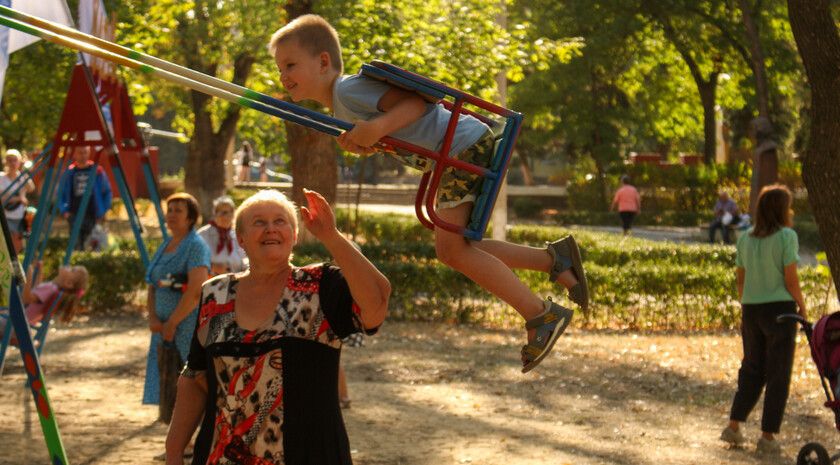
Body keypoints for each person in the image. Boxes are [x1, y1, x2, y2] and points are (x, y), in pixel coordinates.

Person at [268, 14, 588, 373]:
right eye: (280, 68)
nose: (283, 75)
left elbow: (416, 106)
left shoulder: (347, 89)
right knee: (463, 249)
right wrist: (370, 142)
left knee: (451, 251)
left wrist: (375, 127)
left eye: (290, 65)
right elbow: (403, 130)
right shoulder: (341, 103)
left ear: (323, 61)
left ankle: (540, 315)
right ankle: (554, 261)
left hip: (460, 148)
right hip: (456, 150)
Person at [164, 189, 390, 465]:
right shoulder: (216, 293)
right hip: (221, 456)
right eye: (258, 222)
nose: (270, 228)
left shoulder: (319, 286)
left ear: (294, 236)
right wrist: (174, 451)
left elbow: (377, 304)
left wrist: (331, 236)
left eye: (280, 221)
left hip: (310, 455)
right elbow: (194, 377)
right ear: (241, 239)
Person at [720, 184, 806, 456]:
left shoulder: (745, 238)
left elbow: (740, 279)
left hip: (751, 308)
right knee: (778, 373)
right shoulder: (787, 237)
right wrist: (802, 308)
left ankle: (733, 425)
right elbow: (790, 279)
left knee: (752, 368)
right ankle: (767, 436)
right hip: (780, 309)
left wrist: (748, 304)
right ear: (782, 210)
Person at [143, 193, 210, 426]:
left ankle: (197, 440)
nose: (171, 215)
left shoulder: (196, 246)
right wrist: (153, 317)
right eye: (169, 210)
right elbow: (152, 284)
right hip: (162, 330)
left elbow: (195, 290)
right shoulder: (165, 245)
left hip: (185, 327)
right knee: (169, 381)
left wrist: (172, 322)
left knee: (192, 380)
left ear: (191, 217)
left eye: (178, 210)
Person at [0, 262, 88, 345]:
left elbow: (26, 299)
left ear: (68, 283)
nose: (68, 266)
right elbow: (36, 289)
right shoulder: (52, 288)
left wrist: (28, 274)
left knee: (13, 264)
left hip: (14, 326)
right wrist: (40, 270)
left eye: (72, 270)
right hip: (19, 327)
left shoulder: (50, 288)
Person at [57, 146, 113, 251]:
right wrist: (64, 211)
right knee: (76, 244)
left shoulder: (97, 171)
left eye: (85, 152)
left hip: (92, 214)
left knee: (93, 244)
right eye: (80, 153)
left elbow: (107, 191)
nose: (82, 156)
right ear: (75, 154)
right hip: (74, 213)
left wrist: (103, 210)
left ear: (89, 153)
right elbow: (61, 193)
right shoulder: (69, 172)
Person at [197, 196, 247, 276]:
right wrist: (212, 266)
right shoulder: (203, 234)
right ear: (215, 214)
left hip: (236, 282)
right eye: (223, 212)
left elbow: (244, 258)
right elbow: (195, 260)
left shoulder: (236, 234)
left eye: (230, 212)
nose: (227, 216)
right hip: (210, 281)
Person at [0, 149, 35, 253]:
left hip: (20, 217)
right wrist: (19, 198)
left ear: (19, 161)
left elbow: (31, 188)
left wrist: (25, 174)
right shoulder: (1, 178)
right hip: (5, 217)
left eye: (15, 160)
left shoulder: (22, 177)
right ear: (5, 162)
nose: (12, 163)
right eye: (9, 160)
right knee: (7, 245)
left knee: (18, 246)